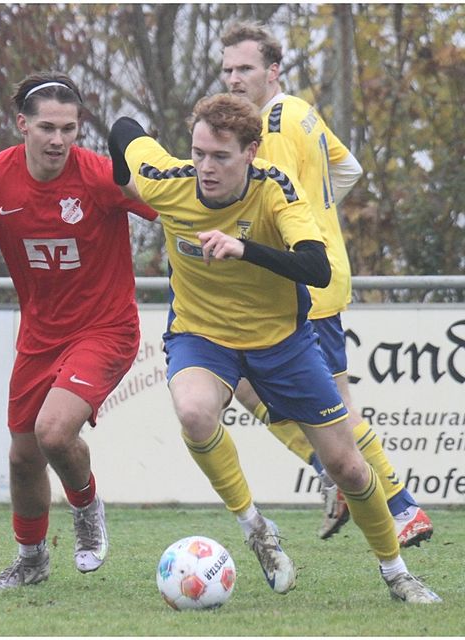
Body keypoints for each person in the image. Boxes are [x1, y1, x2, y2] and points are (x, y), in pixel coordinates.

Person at [108, 93, 440, 603]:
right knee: (195, 413)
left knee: (348, 468)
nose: (205, 167)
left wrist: (244, 249)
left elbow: (316, 267)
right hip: (203, 335)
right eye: (198, 153)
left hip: (282, 343)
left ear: (252, 152)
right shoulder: (168, 181)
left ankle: (396, 572)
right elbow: (124, 129)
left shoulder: (275, 190)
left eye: (221, 156)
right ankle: (255, 528)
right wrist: (121, 177)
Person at [0, 72, 158, 589]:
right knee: (23, 457)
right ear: (22, 125)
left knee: (52, 432)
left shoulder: (99, 175)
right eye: (47, 127)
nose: (58, 140)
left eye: (69, 129)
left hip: (106, 328)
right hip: (40, 335)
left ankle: (87, 508)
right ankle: (31, 561)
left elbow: (167, 208)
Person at [219, 21, 432, 547]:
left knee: (332, 405)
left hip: (302, 286)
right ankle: (332, 470)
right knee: (243, 384)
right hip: (320, 278)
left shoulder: (272, 124)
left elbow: (269, 199)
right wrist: (318, 209)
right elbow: (350, 168)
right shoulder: (302, 113)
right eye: (227, 70)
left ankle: (401, 507)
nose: (234, 79)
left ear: (272, 71)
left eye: (245, 68)